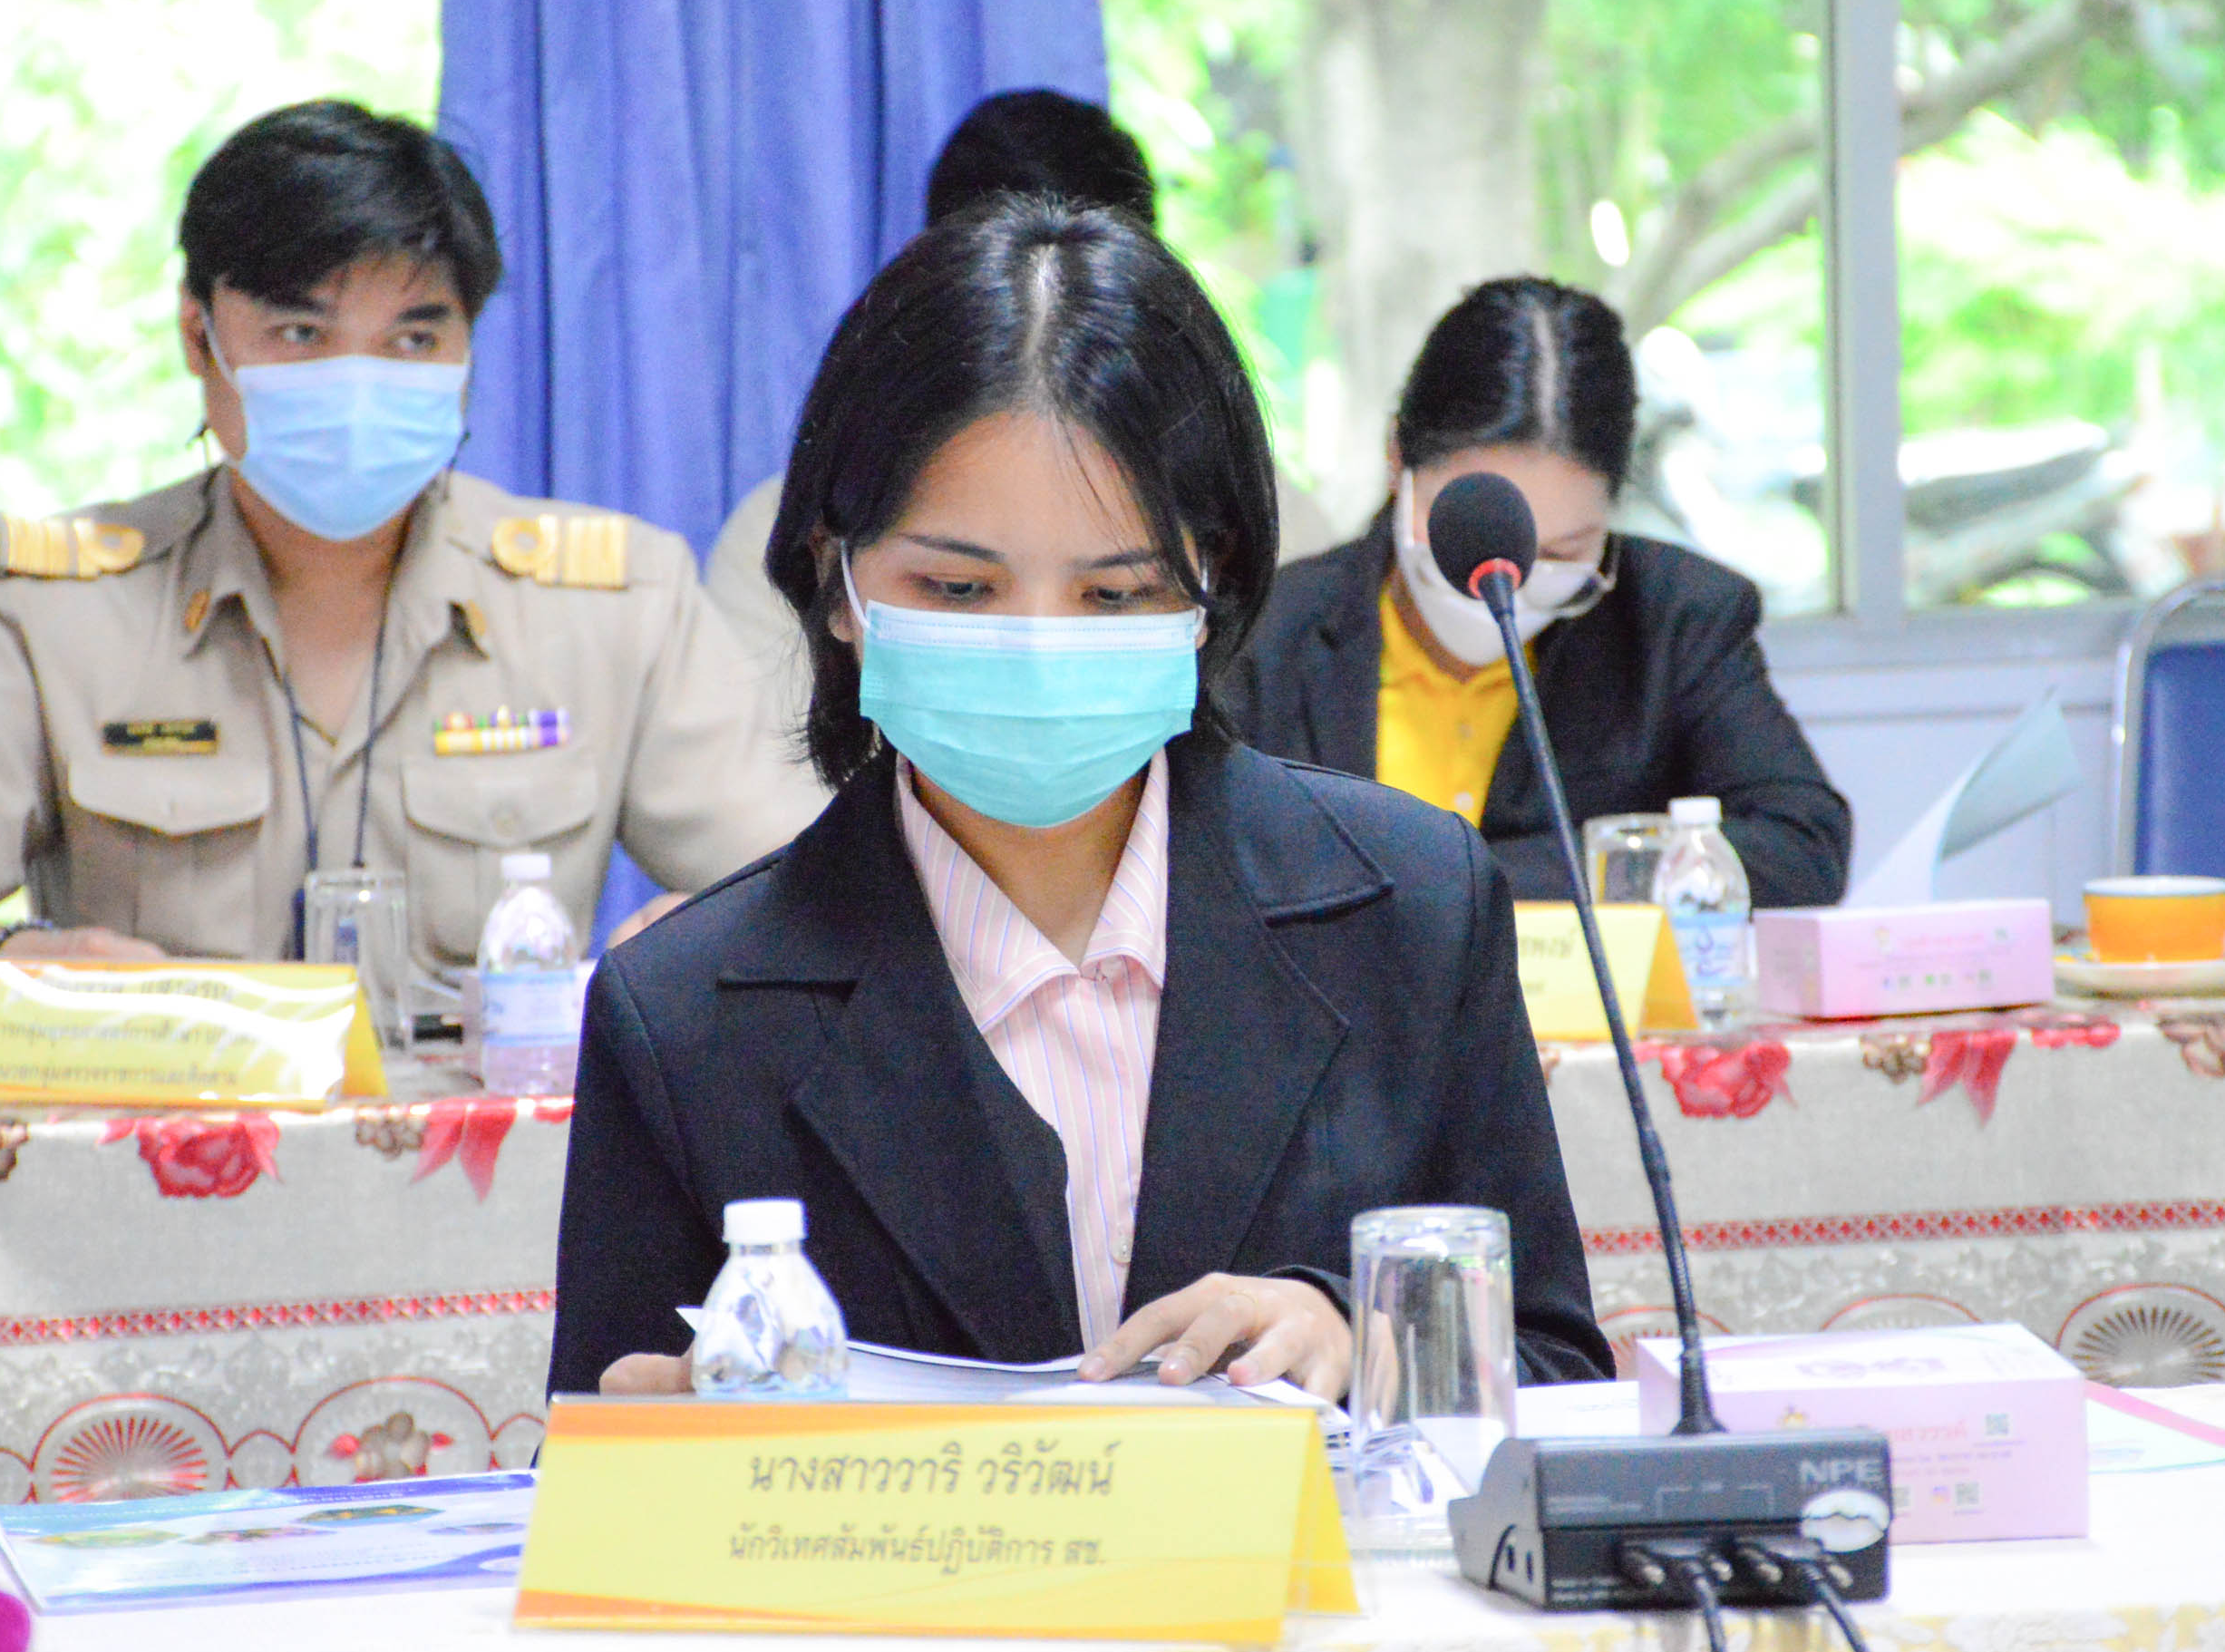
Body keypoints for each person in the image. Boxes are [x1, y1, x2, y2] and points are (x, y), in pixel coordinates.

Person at [549, 199, 1612, 1403]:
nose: (1038, 646)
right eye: (959, 588)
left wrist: (1361, 1341)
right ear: (835, 580)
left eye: (1114, 595)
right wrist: (664, 1452)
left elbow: (1557, 1374)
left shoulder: (1410, 910)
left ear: (1210, 585)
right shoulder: (684, 1013)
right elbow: (591, 1448)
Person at [0, 100, 825, 1030]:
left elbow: (807, 894)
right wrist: (12, 964)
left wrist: (704, 944)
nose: (358, 383)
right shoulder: (31, 604)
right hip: (157, 1145)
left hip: (502, 1159)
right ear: (199, 335)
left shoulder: (615, 599)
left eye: (413, 338)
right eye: (302, 332)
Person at [698, 89, 1336, 787]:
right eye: (959, 588)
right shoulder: (805, 531)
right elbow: (754, 805)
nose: (1041, 663)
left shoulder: (1269, 530)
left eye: (1115, 594)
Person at [1224, 278, 1851, 909]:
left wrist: (1480, 881)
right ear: (1397, 461)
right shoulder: (1265, 630)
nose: (1509, 579)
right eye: (1471, 535)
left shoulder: (1675, 618)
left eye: (1561, 552)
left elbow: (1802, 843)